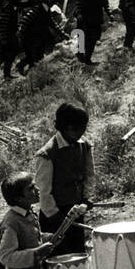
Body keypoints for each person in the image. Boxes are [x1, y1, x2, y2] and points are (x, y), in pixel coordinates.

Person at [32, 103, 94, 255]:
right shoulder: (47, 154)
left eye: (83, 128)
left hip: (75, 211)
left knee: (77, 257)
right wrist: (57, 217)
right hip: (54, 216)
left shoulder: (84, 146)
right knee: (53, 258)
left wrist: (86, 198)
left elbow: (89, 175)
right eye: (77, 129)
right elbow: (44, 192)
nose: (81, 133)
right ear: (66, 127)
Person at [74, 0, 109, 64]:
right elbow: (79, 1)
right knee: (83, 36)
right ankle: (81, 55)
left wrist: (109, 13)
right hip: (85, 16)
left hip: (96, 18)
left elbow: (105, 3)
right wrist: (79, 13)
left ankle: (87, 58)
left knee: (94, 37)